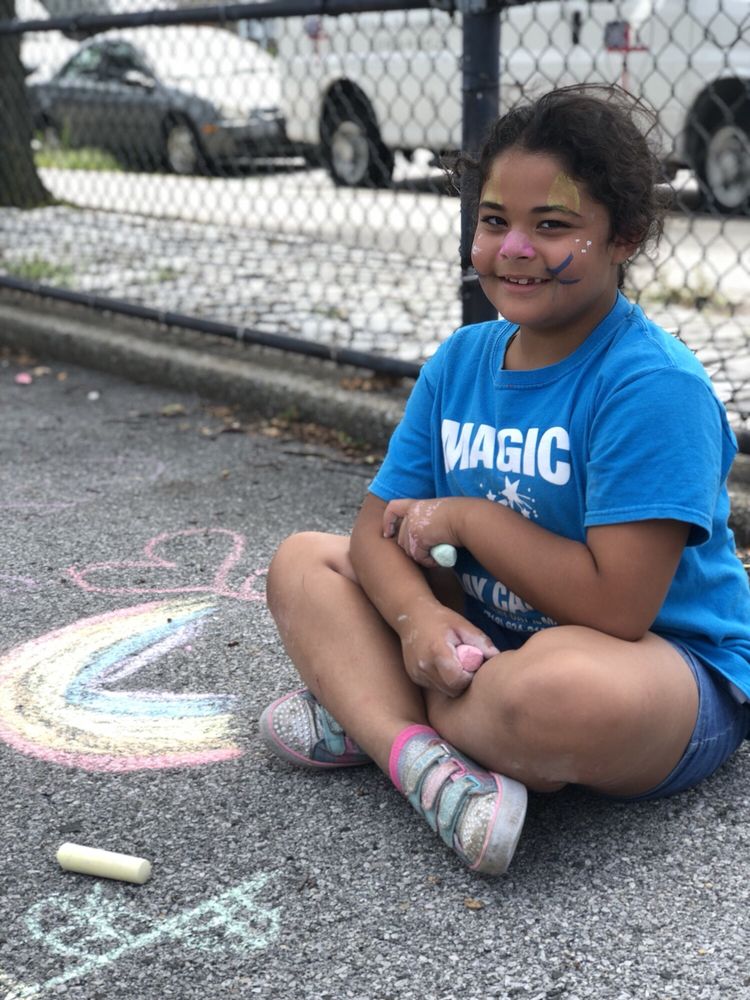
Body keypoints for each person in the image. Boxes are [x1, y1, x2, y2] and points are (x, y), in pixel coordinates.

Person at [259, 85, 750, 875]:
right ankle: (423, 763)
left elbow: (619, 609)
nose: (513, 248)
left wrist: (470, 521)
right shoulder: (462, 361)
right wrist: (418, 618)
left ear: (622, 236)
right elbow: (373, 532)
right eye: (494, 221)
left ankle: (368, 707)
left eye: (552, 225)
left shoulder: (651, 386)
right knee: (301, 563)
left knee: (557, 693)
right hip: (485, 646)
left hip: (660, 670)